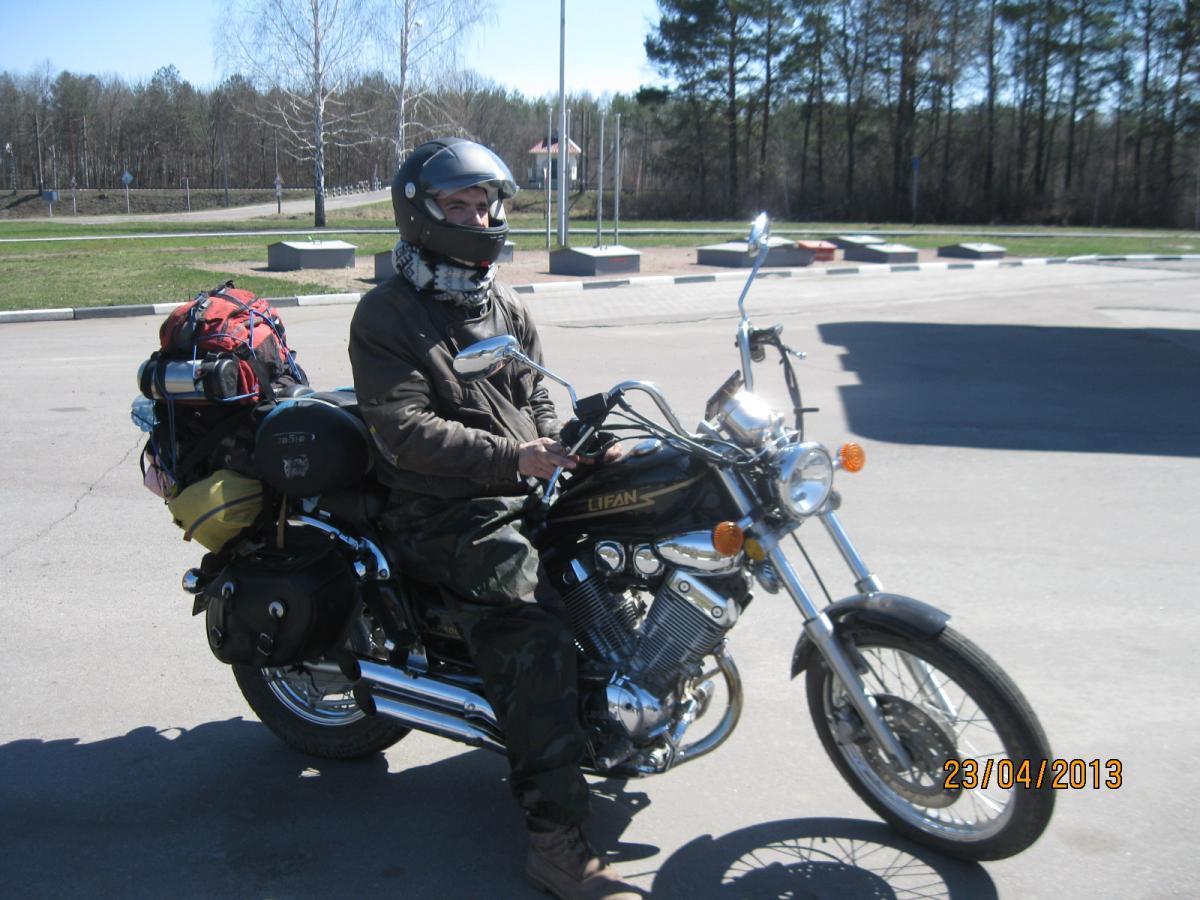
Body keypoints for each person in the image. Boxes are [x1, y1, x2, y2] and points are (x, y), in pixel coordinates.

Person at [348, 138, 637, 900]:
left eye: (484, 205)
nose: (479, 219)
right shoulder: (387, 314)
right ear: (422, 214)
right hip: (440, 508)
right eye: (460, 205)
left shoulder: (500, 302)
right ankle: (555, 844)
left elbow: (535, 391)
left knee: (622, 544)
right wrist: (518, 460)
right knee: (531, 628)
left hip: (516, 482)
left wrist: (562, 447)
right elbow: (404, 431)